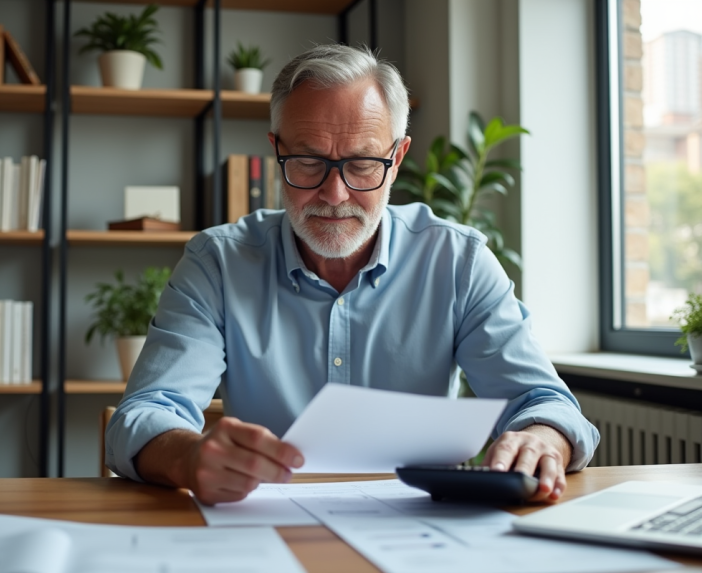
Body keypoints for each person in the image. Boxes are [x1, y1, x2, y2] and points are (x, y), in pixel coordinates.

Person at [106, 44, 599, 506]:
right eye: (308, 161)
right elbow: (144, 413)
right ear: (276, 152)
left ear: (398, 157)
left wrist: (540, 438)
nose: (335, 194)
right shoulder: (219, 263)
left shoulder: (458, 261)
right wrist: (188, 457)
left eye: (363, 164)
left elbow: (544, 401)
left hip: (422, 532)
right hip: (262, 528)